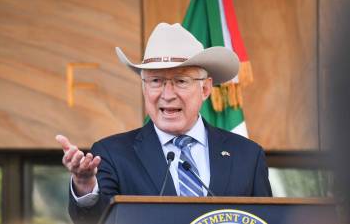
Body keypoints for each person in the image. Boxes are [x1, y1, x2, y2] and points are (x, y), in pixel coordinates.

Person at [56, 23, 272, 224]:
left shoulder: (248, 156)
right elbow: (94, 221)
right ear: (144, 88)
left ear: (205, 89)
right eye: (156, 81)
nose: (167, 95)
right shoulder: (111, 153)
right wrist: (84, 186)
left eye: (180, 81)